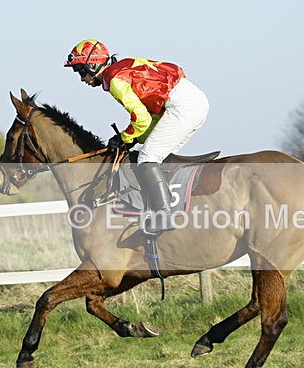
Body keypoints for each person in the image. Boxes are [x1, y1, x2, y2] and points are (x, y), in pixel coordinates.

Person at [64, 39, 209, 233]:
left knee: (148, 158)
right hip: (193, 101)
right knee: (158, 155)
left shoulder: (114, 80)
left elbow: (141, 119)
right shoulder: (123, 68)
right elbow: (151, 121)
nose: (82, 79)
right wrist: (133, 139)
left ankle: (164, 216)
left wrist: (124, 138)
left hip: (182, 107)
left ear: (92, 65)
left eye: (81, 71)